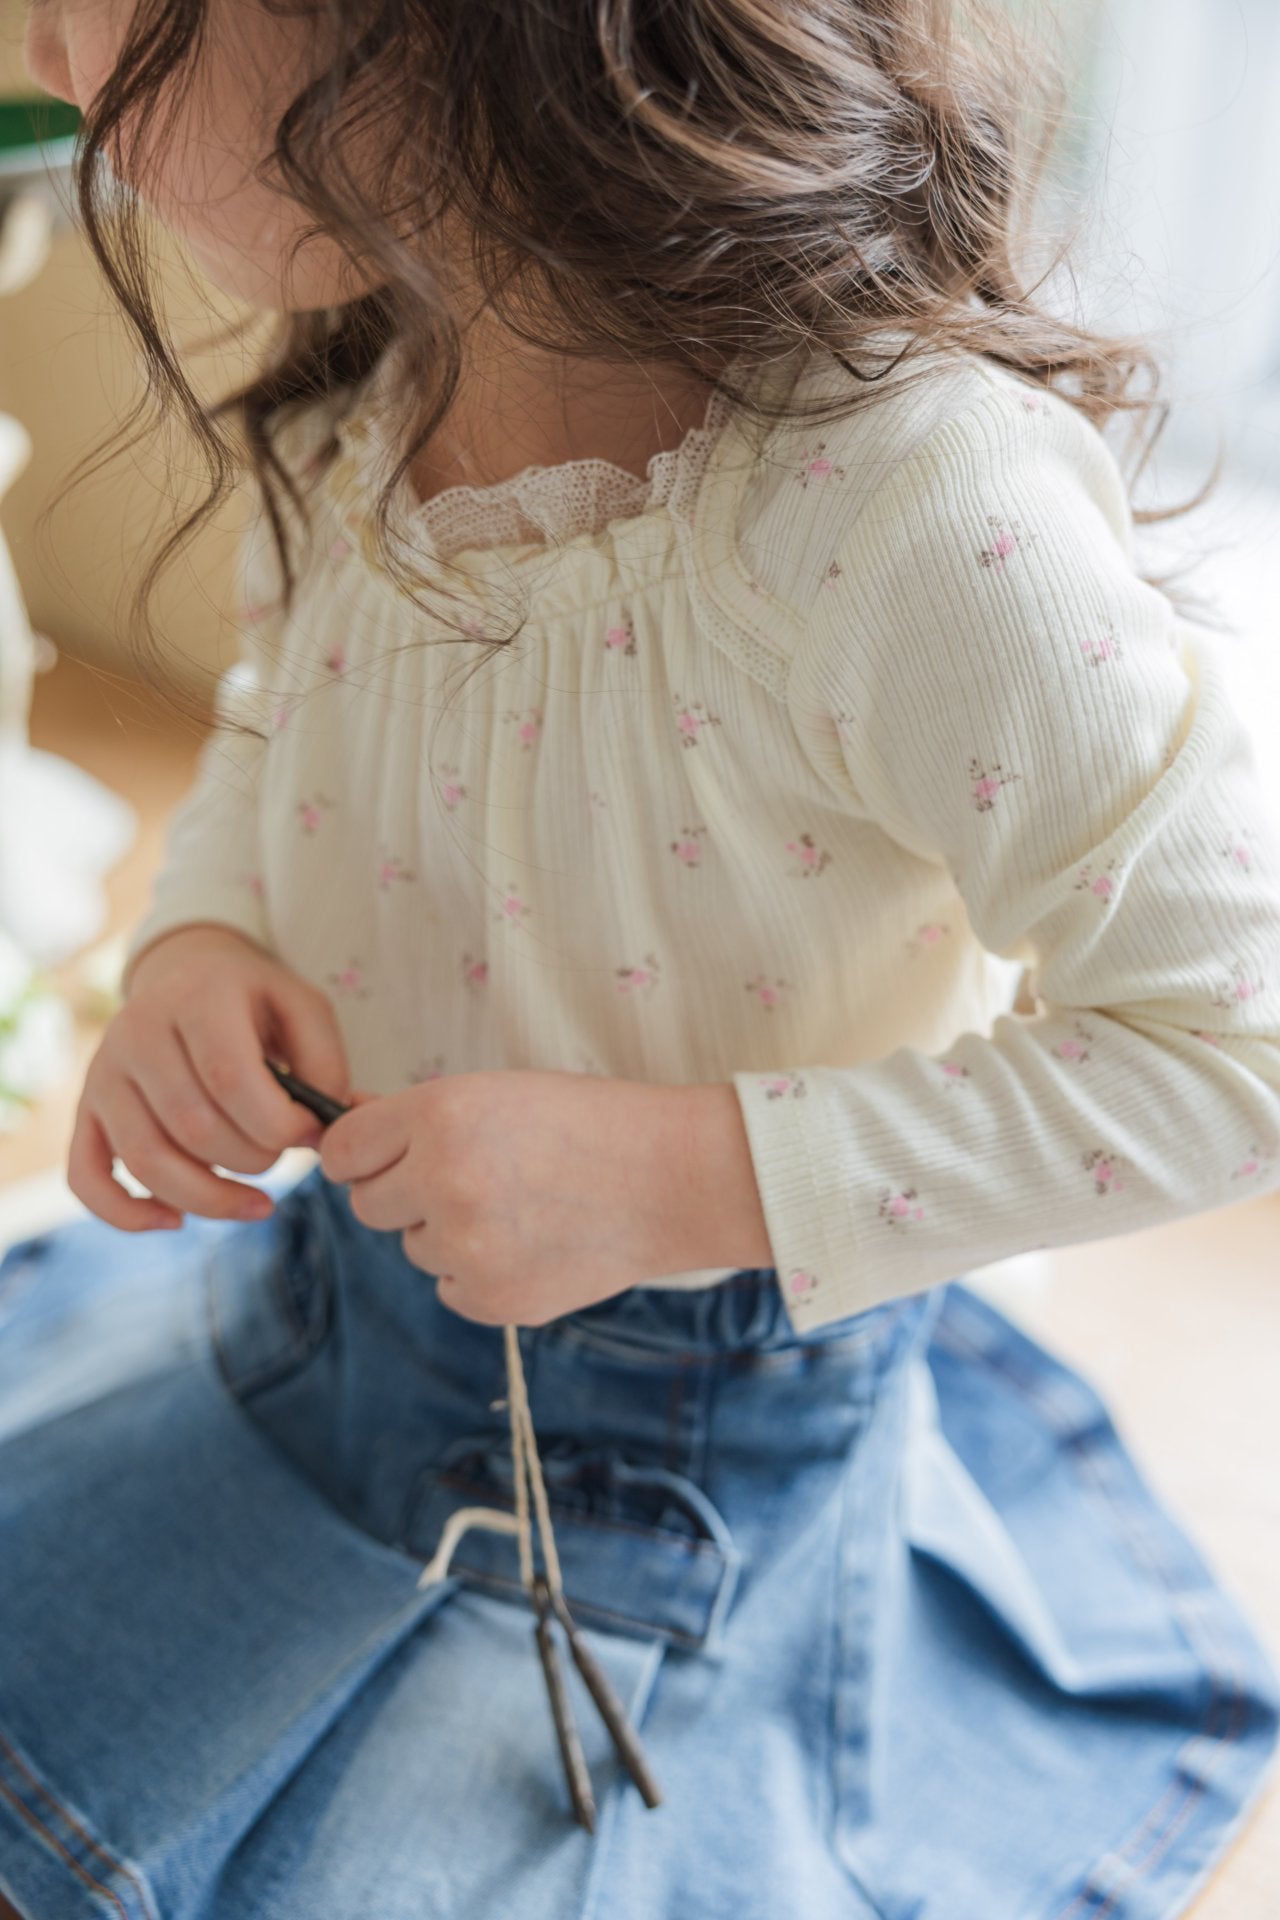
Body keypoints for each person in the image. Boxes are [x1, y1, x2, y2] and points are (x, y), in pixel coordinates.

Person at [1, 1, 1278, 1915]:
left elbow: (1234, 1049)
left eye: (96, 5)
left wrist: (679, 1174)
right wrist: (207, 932)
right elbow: (288, 712)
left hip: (665, 1511)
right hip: (316, 1344)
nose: (48, 59)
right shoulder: (385, 370)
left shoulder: (915, 511)